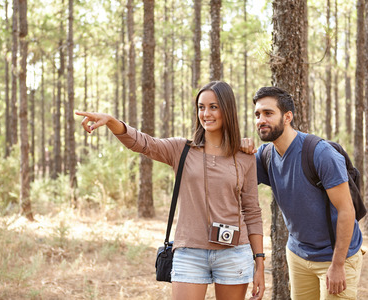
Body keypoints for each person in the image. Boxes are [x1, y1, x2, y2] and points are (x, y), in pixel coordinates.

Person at [76, 81, 265, 300]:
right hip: (190, 252)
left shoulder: (244, 156)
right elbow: (143, 143)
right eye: (201, 107)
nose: (206, 113)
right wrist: (111, 122)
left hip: (233, 253)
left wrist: (259, 262)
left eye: (214, 107)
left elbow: (252, 211)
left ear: (227, 110)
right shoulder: (181, 149)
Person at [241, 86, 363, 300]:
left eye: (268, 113)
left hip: (334, 257)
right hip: (298, 254)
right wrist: (239, 148)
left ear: (287, 117)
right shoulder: (266, 155)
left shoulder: (320, 154)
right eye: (257, 115)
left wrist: (337, 265)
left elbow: (346, 210)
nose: (261, 120)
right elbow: (234, 175)